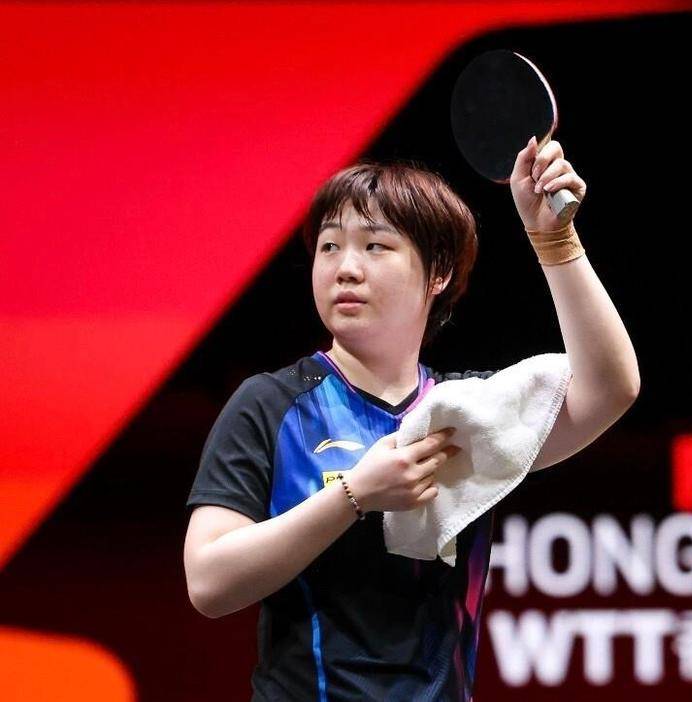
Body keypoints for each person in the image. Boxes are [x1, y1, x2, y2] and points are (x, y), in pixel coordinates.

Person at [183, 137, 639, 701]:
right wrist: (354, 496)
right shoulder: (269, 404)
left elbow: (610, 388)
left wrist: (555, 240)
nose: (346, 268)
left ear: (438, 271)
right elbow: (209, 581)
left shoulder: (468, 416)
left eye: (375, 246)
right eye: (329, 246)